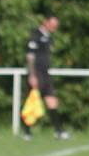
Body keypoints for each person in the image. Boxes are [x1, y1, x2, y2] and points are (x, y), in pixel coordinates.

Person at [22, 13, 70, 141]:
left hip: (46, 74)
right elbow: (30, 56)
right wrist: (32, 75)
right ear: (46, 22)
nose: (55, 27)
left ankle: (59, 131)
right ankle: (26, 131)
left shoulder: (49, 37)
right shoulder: (35, 35)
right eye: (53, 24)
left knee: (52, 102)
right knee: (31, 102)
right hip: (36, 74)